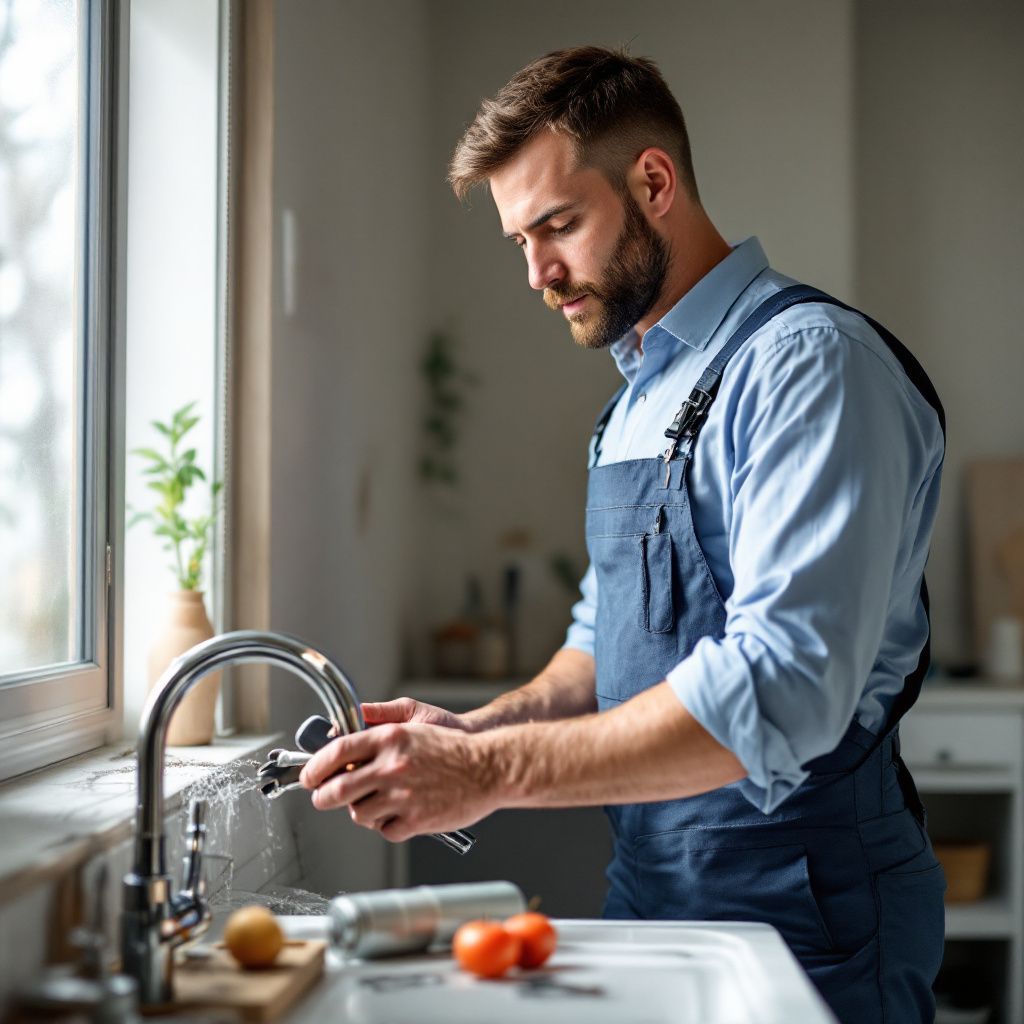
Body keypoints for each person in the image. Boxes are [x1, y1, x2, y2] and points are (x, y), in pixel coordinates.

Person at [301, 46, 946, 1023]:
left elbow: (785, 685)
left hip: (812, 904)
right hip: (652, 883)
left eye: (558, 225)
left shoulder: (810, 367)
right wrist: (477, 731)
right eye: (520, 240)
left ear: (653, 182)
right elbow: (602, 646)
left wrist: (484, 774)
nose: (538, 273)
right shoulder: (636, 401)